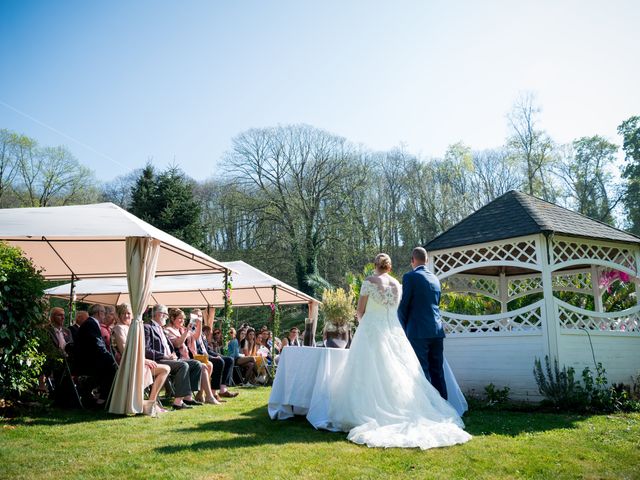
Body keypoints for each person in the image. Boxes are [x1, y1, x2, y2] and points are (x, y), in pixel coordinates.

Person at [327, 253, 470, 449]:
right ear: (389, 267)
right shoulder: (397, 284)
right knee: (399, 371)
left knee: (369, 370)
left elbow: (360, 311)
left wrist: (365, 324)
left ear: (375, 265)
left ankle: (369, 410)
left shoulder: (369, 281)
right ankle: (405, 407)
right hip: (393, 330)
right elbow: (399, 308)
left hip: (372, 329)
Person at [398, 247, 447, 399]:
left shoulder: (410, 277)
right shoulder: (435, 279)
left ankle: (429, 408)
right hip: (437, 331)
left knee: (421, 371)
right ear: (426, 260)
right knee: (438, 371)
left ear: (412, 260)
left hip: (418, 331)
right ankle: (444, 406)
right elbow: (436, 304)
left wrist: (404, 330)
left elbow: (404, 306)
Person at [112, 303, 170, 410]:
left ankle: (150, 402)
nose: (127, 316)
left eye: (129, 313)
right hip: (128, 364)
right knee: (165, 369)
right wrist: (144, 360)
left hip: (136, 361)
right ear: (119, 315)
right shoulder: (119, 328)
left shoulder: (131, 327)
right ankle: (151, 403)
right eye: (123, 313)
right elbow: (125, 351)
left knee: (165, 369)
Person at [144, 304, 202, 410]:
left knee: (196, 364)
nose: (167, 317)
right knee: (183, 365)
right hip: (158, 360)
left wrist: (172, 354)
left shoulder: (161, 329)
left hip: (169, 358)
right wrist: (165, 356)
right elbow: (146, 350)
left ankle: (187, 397)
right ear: (158, 314)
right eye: (166, 314)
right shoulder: (148, 327)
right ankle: (177, 402)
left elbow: (169, 346)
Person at [164, 308, 218, 405]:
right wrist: (186, 332)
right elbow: (177, 344)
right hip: (176, 359)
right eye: (180, 318)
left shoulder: (182, 329)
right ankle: (206, 396)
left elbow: (196, 337)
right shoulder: (168, 330)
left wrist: (199, 322)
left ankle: (199, 395)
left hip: (187, 359)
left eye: (183, 319)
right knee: (203, 366)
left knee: (206, 365)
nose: (182, 321)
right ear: (172, 318)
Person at [75, 304, 118, 404]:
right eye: (104, 313)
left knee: (113, 364)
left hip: (90, 360)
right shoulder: (90, 324)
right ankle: (103, 398)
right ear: (99, 313)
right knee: (113, 367)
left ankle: (103, 396)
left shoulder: (90, 323)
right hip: (87, 363)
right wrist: (111, 357)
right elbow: (97, 345)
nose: (105, 315)